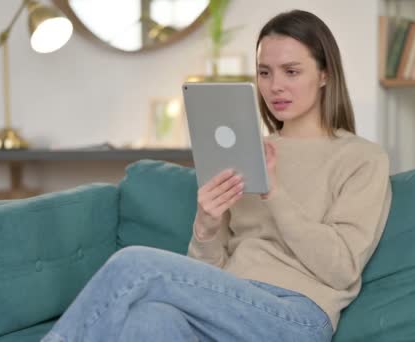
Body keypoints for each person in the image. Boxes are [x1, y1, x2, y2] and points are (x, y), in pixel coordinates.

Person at [41, 9, 391, 342]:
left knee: (134, 263)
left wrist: (275, 193)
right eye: (265, 72)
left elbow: (342, 269)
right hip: (225, 307)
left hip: (295, 316)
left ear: (325, 74)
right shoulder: (245, 153)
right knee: (151, 318)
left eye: (291, 71)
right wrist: (206, 225)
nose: (275, 86)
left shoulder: (361, 158)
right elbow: (211, 271)